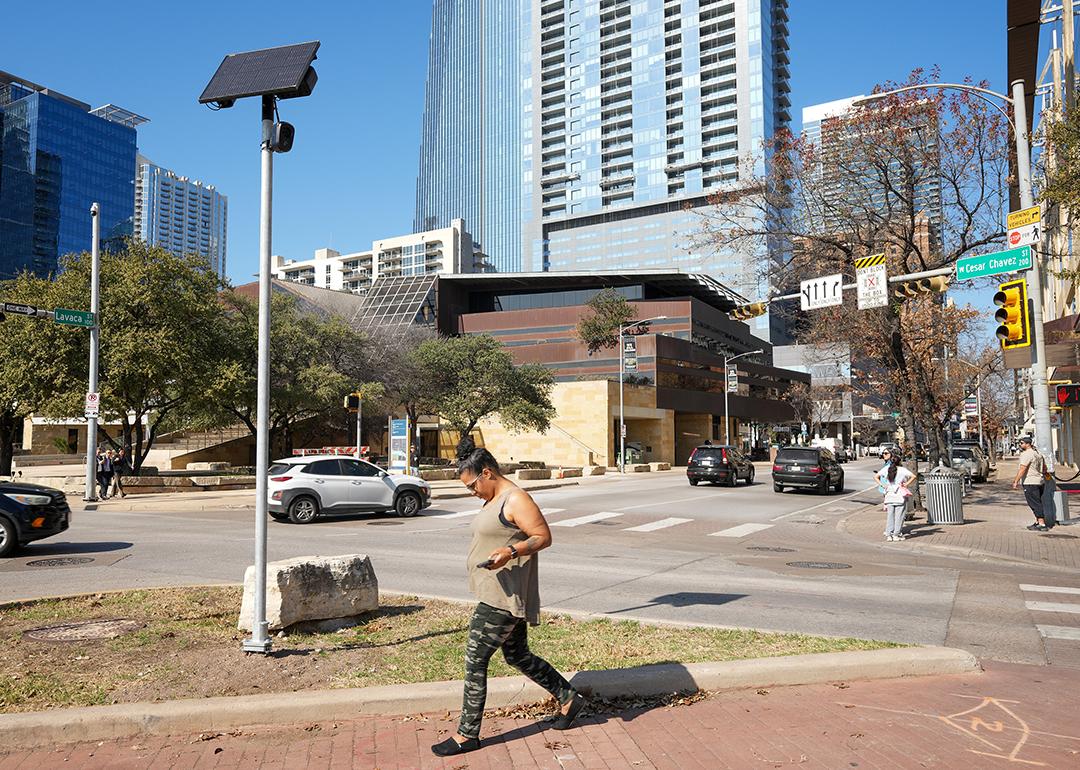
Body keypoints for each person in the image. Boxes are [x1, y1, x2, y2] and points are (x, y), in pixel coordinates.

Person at [432, 439, 584, 757]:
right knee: (518, 655)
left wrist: (511, 551)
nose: (471, 492)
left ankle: (466, 735)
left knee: (475, 660)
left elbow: (543, 536)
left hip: (502, 597)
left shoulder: (516, 499)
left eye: (472, 485)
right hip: (495, 591)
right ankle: (569, 699)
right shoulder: (495, 497)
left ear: (487, 472)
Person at [1012, 435, 1049, 531]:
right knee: (1038, 501)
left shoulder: (1027, 454)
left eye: (1022, 443)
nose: (1020, 445)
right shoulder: (1038, 454)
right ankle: (1037, 521)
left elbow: (1023, 468)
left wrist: (1016, 481)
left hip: (1030, 482)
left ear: (1027, 444)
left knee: (1034, 503)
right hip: (1040, 481)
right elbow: (1044, 469)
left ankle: (1042, 523)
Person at [875, 455, 914, 541]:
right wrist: (906, 484)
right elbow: (913, 476)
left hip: (889, 495)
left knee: (890, 516)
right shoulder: (902, 470)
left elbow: (876, 476)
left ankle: (889, 535)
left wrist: (883, 485)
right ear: (899, 462)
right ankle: (896, 534)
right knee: (899, 516)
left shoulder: (887, 469)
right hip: (900, 495)